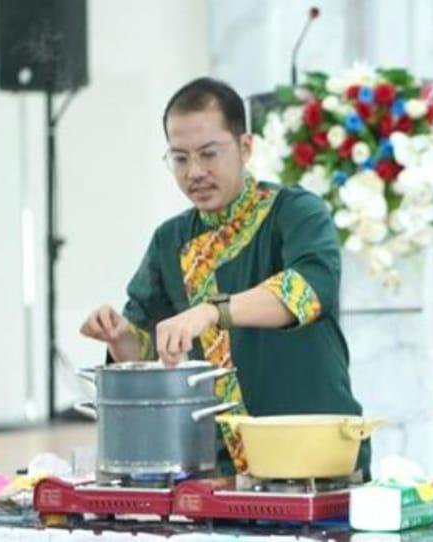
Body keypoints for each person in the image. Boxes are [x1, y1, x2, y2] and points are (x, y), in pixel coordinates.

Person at [79, 77, 368, 477]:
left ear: (245, 147)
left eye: (209, 154)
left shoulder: (296, 212)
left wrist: (212, 311)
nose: (194, 172)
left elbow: (308, 290)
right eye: (180, 159)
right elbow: (150, 353)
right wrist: (119, 335)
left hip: (312, 452)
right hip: (216, 467)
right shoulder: (169, 240)